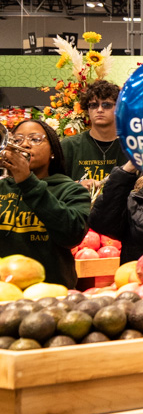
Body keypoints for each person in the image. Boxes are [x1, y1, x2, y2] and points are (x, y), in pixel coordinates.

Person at [0, 119, 90, 288]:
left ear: (53, 151)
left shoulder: (71, 190)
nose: (25, 144)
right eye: (17, 140)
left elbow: (72, 235)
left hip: (50, 293)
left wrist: (27, 182)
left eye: (35, 139)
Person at [61, 80, 128, 197]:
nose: (100, 110)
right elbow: (53, 185)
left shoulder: (130, 146)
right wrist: (78, 184)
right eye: (94, 105)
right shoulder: (69, 145)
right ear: (87, 110)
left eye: (106, 105)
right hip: (79, 211)